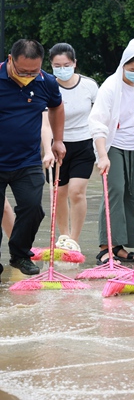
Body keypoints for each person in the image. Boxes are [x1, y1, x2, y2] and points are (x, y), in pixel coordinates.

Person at [0, 39, 66, 276]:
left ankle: (19, 254)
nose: (28, 76)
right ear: (10, 60)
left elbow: (57, 107)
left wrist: (57, 141)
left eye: (33, 71)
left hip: (27, 160)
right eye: (22, 71)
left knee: (32, 208)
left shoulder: (46, 82)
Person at [89, 39, 134, 265]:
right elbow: (97, 122)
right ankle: (106, 246)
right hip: (113, 145)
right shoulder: (110, 86)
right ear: (123, 66)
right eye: (132, 70)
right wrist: (102, 154)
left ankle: (121, 245)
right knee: (114, 190)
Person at [48, 43, 98, 252]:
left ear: (75, 63)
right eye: (57, 65)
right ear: (51, 65)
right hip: (56, 145)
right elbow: (43, 119)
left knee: (77, 192)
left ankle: (74, 241)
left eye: (66, 64)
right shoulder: (47, 85)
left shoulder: (89, 86)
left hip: (84, 144)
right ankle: (63, 237)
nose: (62, 69)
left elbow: (100, 115)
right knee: (59, 193)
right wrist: (46, 148)